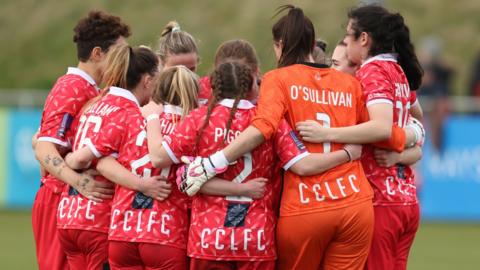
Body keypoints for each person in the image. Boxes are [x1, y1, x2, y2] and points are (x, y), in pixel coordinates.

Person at [297, 5, 425, 270]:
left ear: (364, 39)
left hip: (380, 201)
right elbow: (415, 114)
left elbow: (381, 128)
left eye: (348, 36)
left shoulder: (372, 70)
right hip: (405, 198)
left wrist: (327, 133)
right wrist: (409, 141)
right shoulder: (398, 70)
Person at [32, 11, 130, 270]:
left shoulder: (92, 89)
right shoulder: (72, 87)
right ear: (98, 53)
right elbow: (43, 147)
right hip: (58, 197)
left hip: (74, 203)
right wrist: (77, 181)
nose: (125, 60)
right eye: (119, 52)